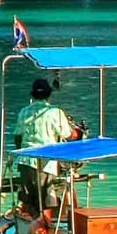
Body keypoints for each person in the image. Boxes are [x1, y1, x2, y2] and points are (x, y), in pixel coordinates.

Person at [11, 78, 82, 214]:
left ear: (32, 95)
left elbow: (18, 137)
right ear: (49, 95)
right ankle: (45, 230)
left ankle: (28, 229)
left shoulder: (24, 112)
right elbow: (68, 135)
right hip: (45, 163)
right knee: (47, 203)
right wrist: (77, 132)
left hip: (25, 161)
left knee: (27, 201)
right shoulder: (55, 112)